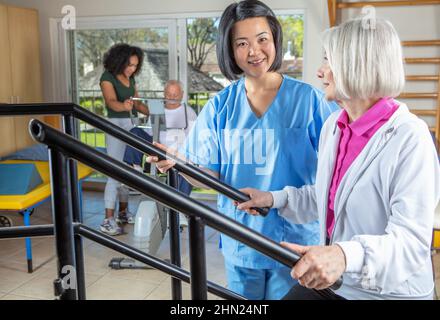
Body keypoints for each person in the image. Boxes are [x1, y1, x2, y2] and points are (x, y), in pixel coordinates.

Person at [237, 17, 440, 300]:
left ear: (357, 65)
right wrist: (273, 199)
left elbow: (409, 244)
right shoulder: (335, 126)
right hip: (339, 283)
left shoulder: (409, 138)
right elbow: (328, 197)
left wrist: (343, 255)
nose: (320, 72)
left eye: (328, 61)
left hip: (388, 292)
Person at [147, 0, 338, 300]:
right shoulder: (220, 106)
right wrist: (180, 164)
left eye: (262, 39)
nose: (254, 51)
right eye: (242, 43)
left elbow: (335, 174)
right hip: (241, 239)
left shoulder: (312, 101)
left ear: (275, 39)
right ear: (230, 50)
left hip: (295, 242)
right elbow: (208, 173)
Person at [123, 80, 197, 224]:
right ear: (164, 94)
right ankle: (135, 169)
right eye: (169, 94)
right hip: (158, 148)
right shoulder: (157, 109)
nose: (171, 97)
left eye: (175, 94)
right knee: (135, 132)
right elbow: (151, 133)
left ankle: (179, 208)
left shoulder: (188, 112)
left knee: (188, 164)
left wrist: (181, 154)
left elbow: (193, 139)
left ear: (181, 95)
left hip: (178, 152)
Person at [99, 43, 150, 236]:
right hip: (115, 125)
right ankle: (107, 219)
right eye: (129, 64)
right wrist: (126, 105)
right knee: (114, 172)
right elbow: (111, 102)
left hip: (131, 124)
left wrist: (157, 110)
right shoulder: (107, 77)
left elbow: (137, 104)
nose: (132, 69)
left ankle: (122, 212)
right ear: (119, 61)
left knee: (127, 170)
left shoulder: (131, 79)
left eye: (135, 65)